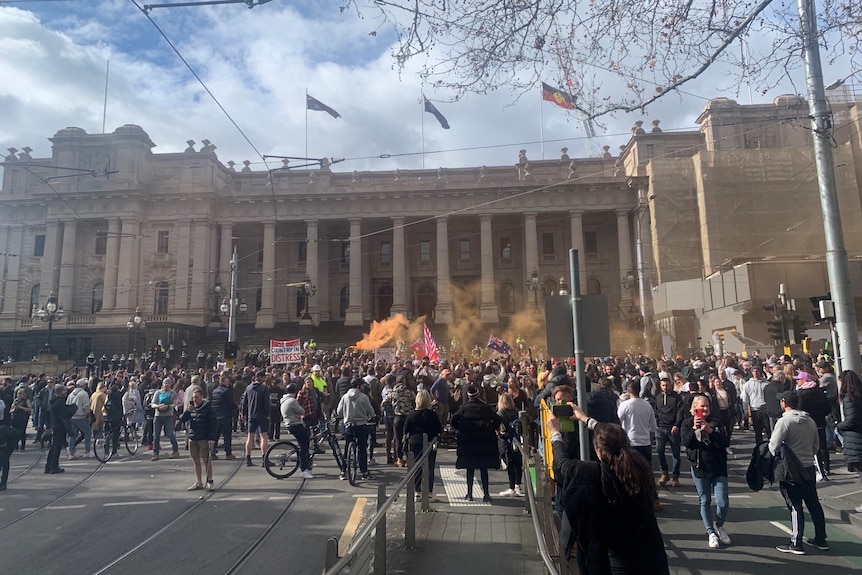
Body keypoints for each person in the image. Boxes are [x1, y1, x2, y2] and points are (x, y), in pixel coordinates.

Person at [547, 405, 669, 574]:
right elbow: (613, 439)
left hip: (619, 563)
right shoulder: (638, 463)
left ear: (598, 452)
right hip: (652, 557)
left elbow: (562, 465)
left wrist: (555, 434)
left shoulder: (592, 474)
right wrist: (586, 419)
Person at [769, 391, 828, 554]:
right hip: (808, 466)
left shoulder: (784, 422)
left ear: (783, 402)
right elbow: (816, 446)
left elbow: (773, 446)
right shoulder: (810, 421)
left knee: (795, 505)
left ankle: (796, 542)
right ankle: (821, 539)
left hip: (791, 468)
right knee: (813, 503)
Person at [680, 394, 731, 549]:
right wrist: (695, 429)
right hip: (700, 467)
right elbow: (686, 443)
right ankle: (711, 532)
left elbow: (725, 441)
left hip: (718, 467)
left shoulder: (717, 422)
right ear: (693, 409)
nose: (703, 409)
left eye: (706, 406)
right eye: (700, 406)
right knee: (705, 500)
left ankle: (719, 526)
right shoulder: (687, 423)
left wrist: (710, 431)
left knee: (723, 502)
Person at [451, 385, 503, 503]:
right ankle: (486, 494)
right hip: (485, 440)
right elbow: (498, 419)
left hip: (468, 441)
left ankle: (469, 494)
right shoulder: (485, 408)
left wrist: (460, 428)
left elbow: (453, 419)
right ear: (478, 395)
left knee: (470, 468)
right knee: (483, 469)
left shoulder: (463, 408)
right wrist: (491, 428)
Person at [617, 379, 660, 510]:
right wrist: (650, 440)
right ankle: (654, 500)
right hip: (645, 443)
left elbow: (619, 421)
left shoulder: (625, 405)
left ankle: (633, 499)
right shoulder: (647, 405)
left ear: (628, 391)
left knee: (629, 472)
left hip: (631, 442)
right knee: (647, 472)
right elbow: (653, 427)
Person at [404, 389, 443, 500]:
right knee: (430, 468)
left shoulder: (412, 414)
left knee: (417, 467)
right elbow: (438, 429)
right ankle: (429, 493)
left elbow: (406, 429)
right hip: (430, 442)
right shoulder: (432, 414)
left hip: (415, 442)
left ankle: (417, 492)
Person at [336, 377, 376, 480]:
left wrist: (344, 416)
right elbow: (370, 410)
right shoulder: (363, 397)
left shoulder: (345, 397)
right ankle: (364, 472)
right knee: (362, 448)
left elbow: (339, 411)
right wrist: (372, 415)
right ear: (358, 386)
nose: (363, 387)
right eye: (362, 385)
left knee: (347, 447)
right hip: (361, 425)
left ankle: (343, 471)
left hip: (349, 425)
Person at [178, 387, 217, 491]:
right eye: (193, 397)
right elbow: (181, 420)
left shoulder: (208, 408)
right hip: (193, 437)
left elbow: (213, 424)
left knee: (206, 460)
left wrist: (212, 438)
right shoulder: (191, 408)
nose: (195, 399)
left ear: (202, 397)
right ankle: (198, 481)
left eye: (197, 397)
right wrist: (187, 411)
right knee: (195, 460)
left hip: (204, 437)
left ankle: (209, 480)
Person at [654, 376, 683, 487]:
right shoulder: (658, 397)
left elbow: (680, 412)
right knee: (660, 451)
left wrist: (676, 425)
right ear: (660, 386)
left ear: (671, 385)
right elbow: (656, 411)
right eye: (663, 385)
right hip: (661, 428)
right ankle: (664, 473)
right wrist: (657, 423)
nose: (665, 387)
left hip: (673, 429)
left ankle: (675, 476)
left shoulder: (676, 397)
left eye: (667, 385)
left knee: (676, 453)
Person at [281, 383, 313, 480]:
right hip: (295, 424)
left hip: (290, 424)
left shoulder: (284, 400)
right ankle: (304, 469)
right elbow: (302, 411)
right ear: (295, 391)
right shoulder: (292, 401)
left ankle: (305, 462)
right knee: (304, 444)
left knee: (303, 443)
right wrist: (299, 414)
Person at [381, 375, 415, 467]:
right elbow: (415, 401)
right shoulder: (409, 392)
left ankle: (400, 459)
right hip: (408, 417)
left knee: (398, 439)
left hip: (397, 417)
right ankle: (409, 458)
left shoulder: (392, 393)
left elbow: (383, 404)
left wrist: (391, 411)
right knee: (409, 438)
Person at [241, 370, 271, 467]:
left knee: (250, 437)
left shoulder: (248, 387)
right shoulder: (264, 388)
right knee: (264, 437)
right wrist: (268, 413)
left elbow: (244, 402)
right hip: (261, 415)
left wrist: (244, 413)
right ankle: (264, 459)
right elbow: (266, 403)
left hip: (251, 415)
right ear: (261, 377)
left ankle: (248, 459)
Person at [496, 392, 524, 497]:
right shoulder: (517, 411)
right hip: (517, 440)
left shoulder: (501, 413)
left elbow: (501, 429)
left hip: (506, 441)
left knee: (510, 464)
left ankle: (511, 487)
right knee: (518, 464)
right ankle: (518, 486)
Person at [150, 377, 181, 461]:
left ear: (170, 385)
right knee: (156, 435)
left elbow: (175, 403)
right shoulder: (158, 393)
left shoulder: (172, 393)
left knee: (170, 434)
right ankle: (155, 453)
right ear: (162, 384)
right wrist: (158, 406)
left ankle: (175, 450)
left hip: (168, 416)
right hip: (158, 415)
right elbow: (152, 404)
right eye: (165, 383)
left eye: (168, 383)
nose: (166, 385)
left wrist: (167, 406)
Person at [47, 385, 74, 474]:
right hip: (60, 426)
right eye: (64, 391)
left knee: (54, 446)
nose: (65, 392)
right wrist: (72, 409)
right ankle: (54, 466)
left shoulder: (54, 401)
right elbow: (65, 414)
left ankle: (49, 466)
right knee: (57, 447)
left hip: (55, 425)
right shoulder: (60, 402)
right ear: (59, 392)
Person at [210, 374, 237, 460]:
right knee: (227, 436)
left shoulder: (214, 391)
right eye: (227, 382)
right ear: (222, 382)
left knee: (215, 435)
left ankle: (212, 452)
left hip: (216, 416)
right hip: (226, 415)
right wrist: (236, 407)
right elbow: (230, 403)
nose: (229, 383)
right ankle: (228, 453)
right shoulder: (226, 391)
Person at [742, 367, 770, 445]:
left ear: (760, 372)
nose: (755, 373)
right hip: (755, 410)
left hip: (765, 409)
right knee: (758, 431)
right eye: (753, 371)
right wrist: (745, 409)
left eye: (757, 371)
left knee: (768, 429)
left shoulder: (766, 383)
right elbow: (745, 397)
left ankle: (771, 447)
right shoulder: (748, 384)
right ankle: (759, 448)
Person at [66, 379, 93, 459]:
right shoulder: (84, 394)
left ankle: (71, 452)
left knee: (73, 435)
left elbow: (67, 405)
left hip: (72, 417)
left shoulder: (71, 394)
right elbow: (86, 406)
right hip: (81, 416)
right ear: (83, 385)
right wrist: (89, 416)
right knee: (87, 432)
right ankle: (87, 451)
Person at [0, 423, 16, 489]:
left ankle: (3, 483)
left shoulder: (1, 435)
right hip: (5, 437)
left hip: (13, 437)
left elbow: (3, 446)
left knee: (4, 459)